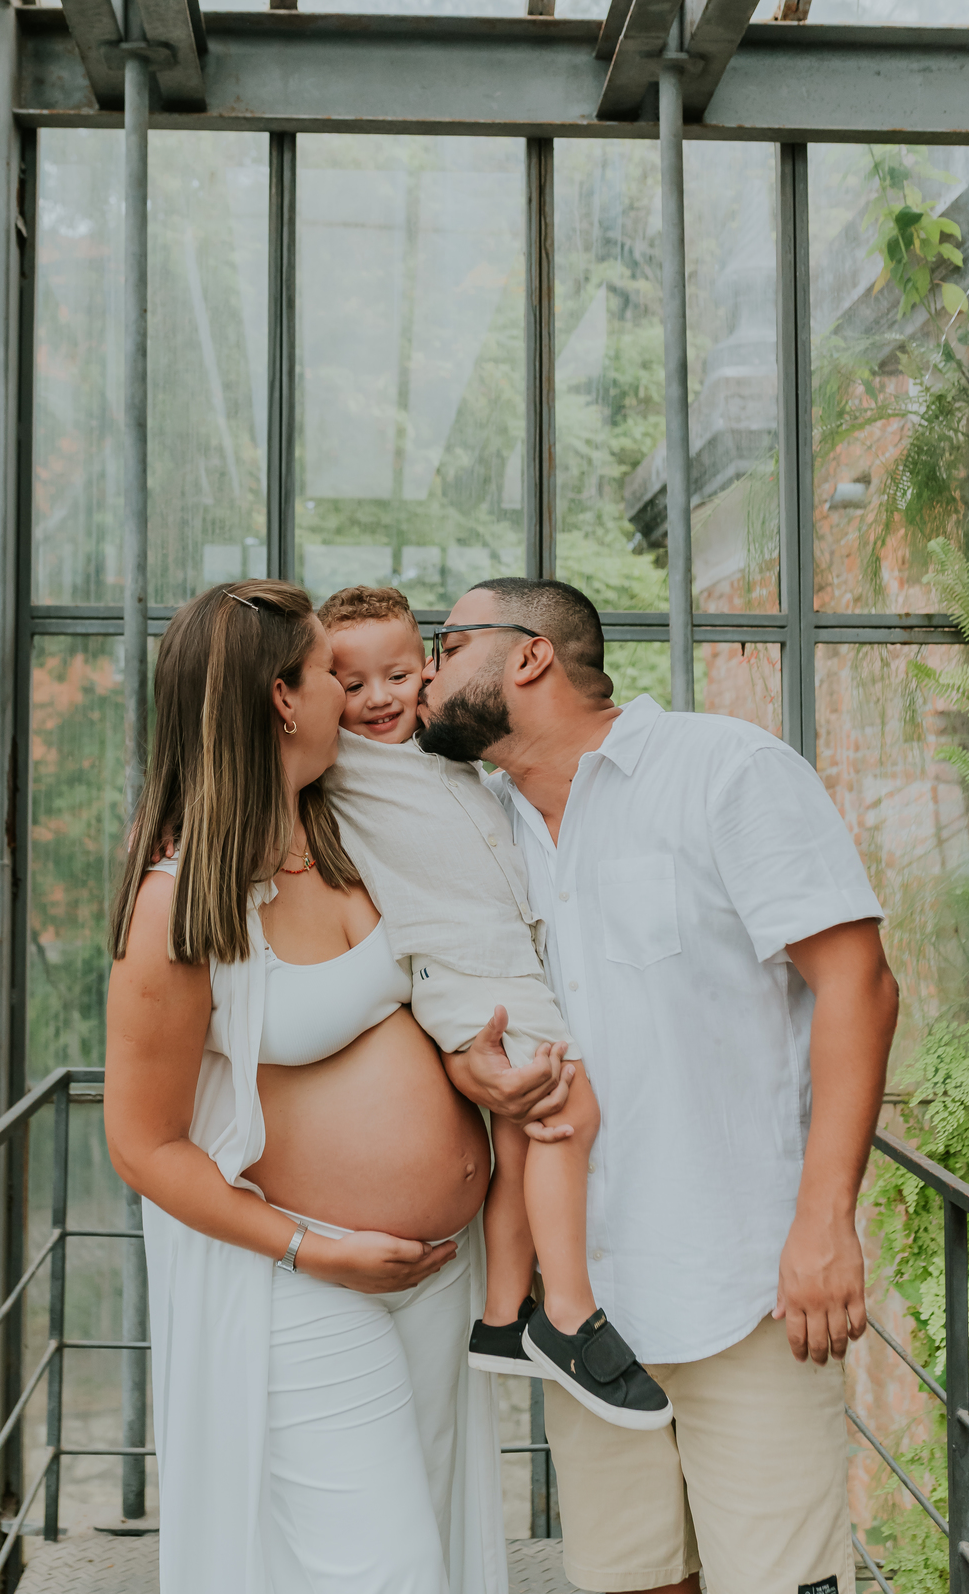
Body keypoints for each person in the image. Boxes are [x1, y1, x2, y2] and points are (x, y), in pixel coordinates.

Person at [419, 576, 899, 1594]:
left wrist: (825, 1225)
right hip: (585, 1310)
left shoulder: (724, 771)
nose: (426, 671)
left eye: (447, 644)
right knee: (629, 1581)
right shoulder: (475, 823)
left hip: (751, 1286)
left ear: (530, 654)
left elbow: (858, 984)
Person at [103, 579, 522, 1594]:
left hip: (431, 1273)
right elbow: (142, 1144)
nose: (365, 698)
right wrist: (317, 1249)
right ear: (287, 700)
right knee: (389, 1572)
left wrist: (473, 1063)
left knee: (412, 1530)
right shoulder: (180, 904)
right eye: (336, 676)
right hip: (297, 1277)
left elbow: (429, 984)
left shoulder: (348, 828)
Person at [317, 582, 670, 1429]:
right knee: (564, 1111)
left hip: (499, 965)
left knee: (521, 1136)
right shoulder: (340, 764)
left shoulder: (448, 752)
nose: (380, 699)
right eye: (351, 683)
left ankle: (505, 1317)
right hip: (467, 970)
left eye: (405, 673)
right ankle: (572, 1315)